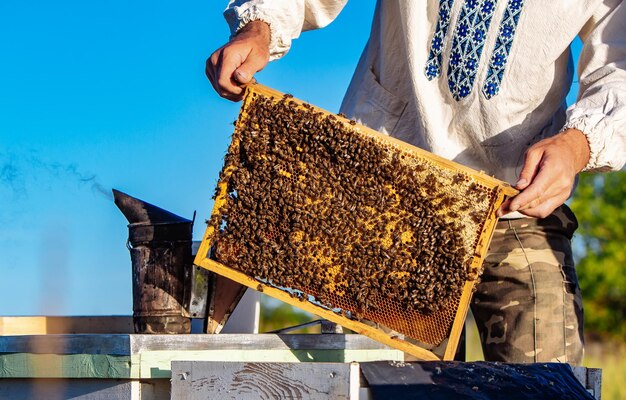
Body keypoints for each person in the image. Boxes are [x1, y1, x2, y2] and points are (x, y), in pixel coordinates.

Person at [206, 1, 626, 364]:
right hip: (388, 195)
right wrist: (259, 27)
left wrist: (578, 145)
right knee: (395, 390)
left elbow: (619, 64)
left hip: (516, 198)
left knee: (546, 387)